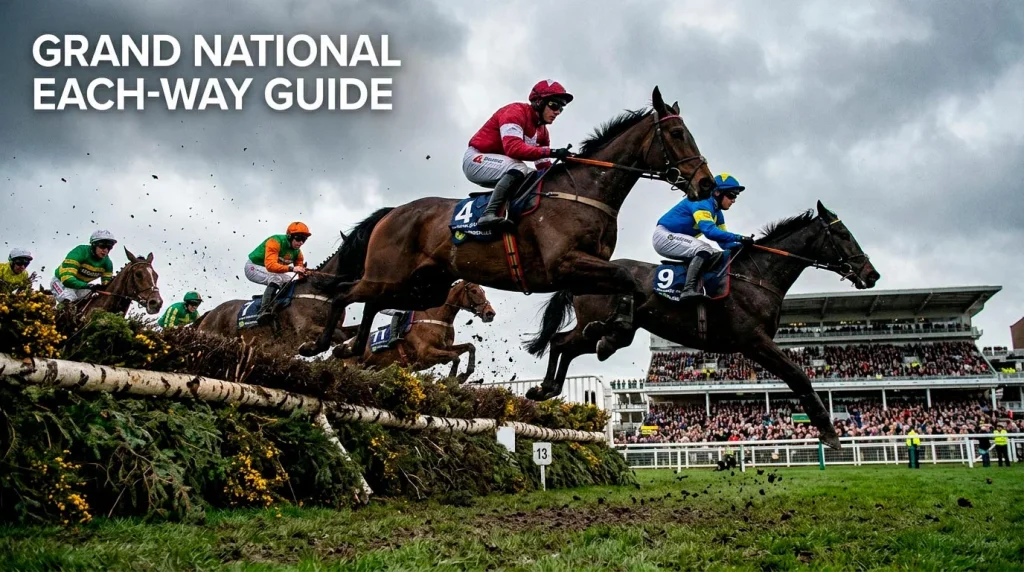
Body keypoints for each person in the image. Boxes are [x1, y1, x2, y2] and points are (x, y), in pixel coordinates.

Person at [463, 80, 576, 231]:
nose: (557, 112)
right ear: (538, 102)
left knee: (534, 177)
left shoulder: (542, 132)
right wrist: (554, 152)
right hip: (476, 159)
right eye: (554, 105)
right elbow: (513, 149)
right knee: (519, 167)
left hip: (501, 165)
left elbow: (544, 168)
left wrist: (568, 165)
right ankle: (488, 214)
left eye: (561, 109)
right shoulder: (515, 112)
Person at [652, 173, 755, 300]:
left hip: (675, 238)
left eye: (735, 196)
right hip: (664, 236)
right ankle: (687, 290)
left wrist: (744, 247)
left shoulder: (718, 214)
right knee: (704, 249)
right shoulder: (701, 202)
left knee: (718, 255)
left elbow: (724, 243)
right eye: (731, 195)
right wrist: (740, 237)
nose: (733, 200)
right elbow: (710, 232)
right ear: (717, 193)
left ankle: (702, 286)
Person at [246, 222, 310, 326]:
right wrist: (292, 268)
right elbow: (270, 266)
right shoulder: (275, 241)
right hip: (253, 267)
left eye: (304, 240)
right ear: (290, 236)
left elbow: (300, 274)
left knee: (288, 281)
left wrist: (305, 274)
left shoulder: (298, 253)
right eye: (299, 238)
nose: (301, 242)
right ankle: (263, 310)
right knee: (276, 278)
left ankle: (273, 302)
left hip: (270, 270)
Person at [50, 230, 116, 304]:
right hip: (61, 282)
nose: (105, 250)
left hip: (81, 287)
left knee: (94, 299)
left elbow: (106, 286)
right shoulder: (80, 252)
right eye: (102, 246)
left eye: (109, 247)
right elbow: (67, 279)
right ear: (94, 245)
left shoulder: (108, 263)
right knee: (69, 297)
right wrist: (89, 286)